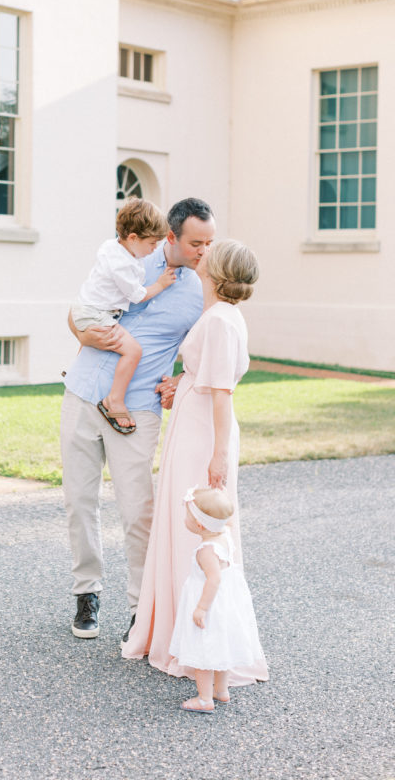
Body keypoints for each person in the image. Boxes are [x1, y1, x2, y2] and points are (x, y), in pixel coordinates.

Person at [61, 198, 216, 639]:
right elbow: (79, 311)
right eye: (195, 243)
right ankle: (86, 593)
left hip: (137, 412)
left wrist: (180, 379)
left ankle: (140, 608)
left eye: (209, 243)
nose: (203, 251)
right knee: (79, 502)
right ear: (170, 237)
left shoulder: (203, 290)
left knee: (138, 513)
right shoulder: (128, 256)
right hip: (83, 392)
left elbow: (208, 348)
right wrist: (76, 328)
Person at [122, 239, 269, 688]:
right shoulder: (218, 315)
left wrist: (217, 456)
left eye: (210, 251)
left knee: (198, 531)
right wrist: (181, 384)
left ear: (216, 270)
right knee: (177, 526)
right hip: (192, 428)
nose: (200, 254)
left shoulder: (222, 321)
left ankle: (198, 639)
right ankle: (170, 629)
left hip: (205, 438)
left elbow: (222, 393)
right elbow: (207, 377)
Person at [70, 198, 177, 435]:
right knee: (133, 351)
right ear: (133, 238)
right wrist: (161, 284)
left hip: (88, 309)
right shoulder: (122, 265)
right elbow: (138, 295)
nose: (154, 248)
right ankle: (114, 400)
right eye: (152, 243)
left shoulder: (112, 248)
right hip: (96, 314)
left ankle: (82, 377)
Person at [169, 486, 265, 714]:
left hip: (209, 603)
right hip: (226, 603)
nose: (185, 519)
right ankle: (221, 691)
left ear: (200, 525)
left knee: (203, 650)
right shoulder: (224, 536)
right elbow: (226, 521)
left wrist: (201, 608)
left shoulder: (206, 550)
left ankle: (204, 699)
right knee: (222, 647)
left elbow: (213, 579)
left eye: (188, 516)